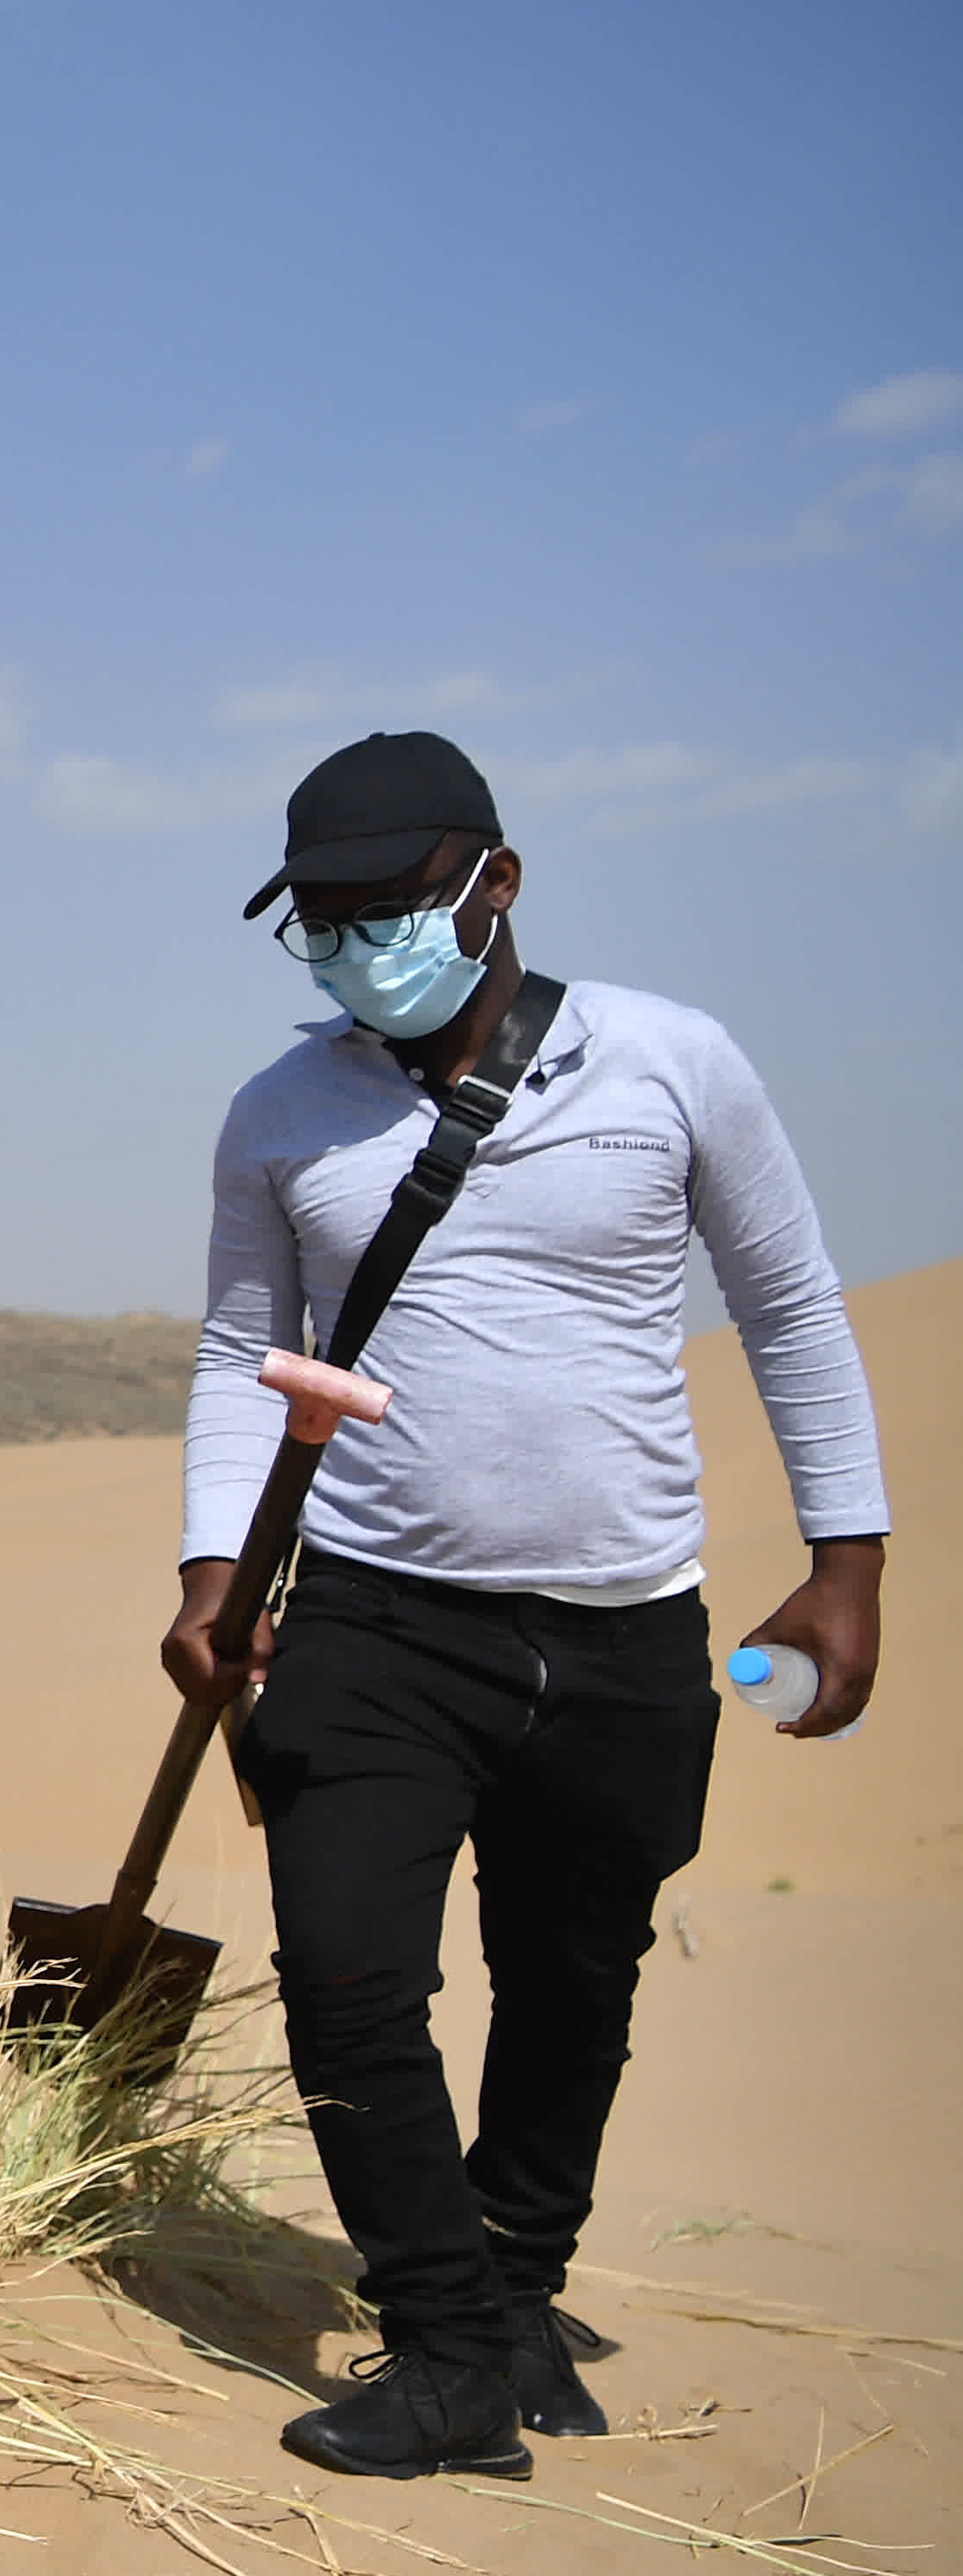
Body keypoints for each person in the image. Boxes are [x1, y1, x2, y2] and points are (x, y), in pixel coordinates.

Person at [177, 732, 888, 2481]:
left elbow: (791, 1304)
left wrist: (848, 1555)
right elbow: (232, 1350)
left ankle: (517, 2278)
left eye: (381, 909)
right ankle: (446, 2345)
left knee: (574, 1975)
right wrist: (212, 1567)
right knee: (345, 1975)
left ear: (495, 882)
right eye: (318, 921)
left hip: (626, 1622)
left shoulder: (670, 1061)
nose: (350, 947)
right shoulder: (283, 1113)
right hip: (373, 1616)